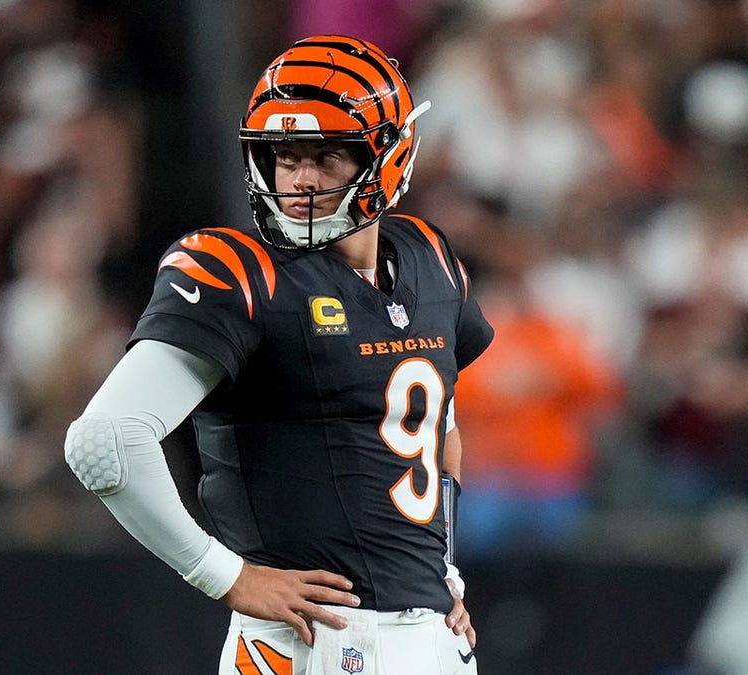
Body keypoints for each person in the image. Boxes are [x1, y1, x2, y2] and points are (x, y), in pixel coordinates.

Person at [63, 35, 492, 674]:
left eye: (327, 158)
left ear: (390, 155)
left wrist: (442, 576)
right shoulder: (241, 273)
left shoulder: (429, 257)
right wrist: (225, 576)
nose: (301, 180)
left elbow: (439, 432)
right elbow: (104, 441)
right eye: (286, 157)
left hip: (428, 638)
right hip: (312, 642)